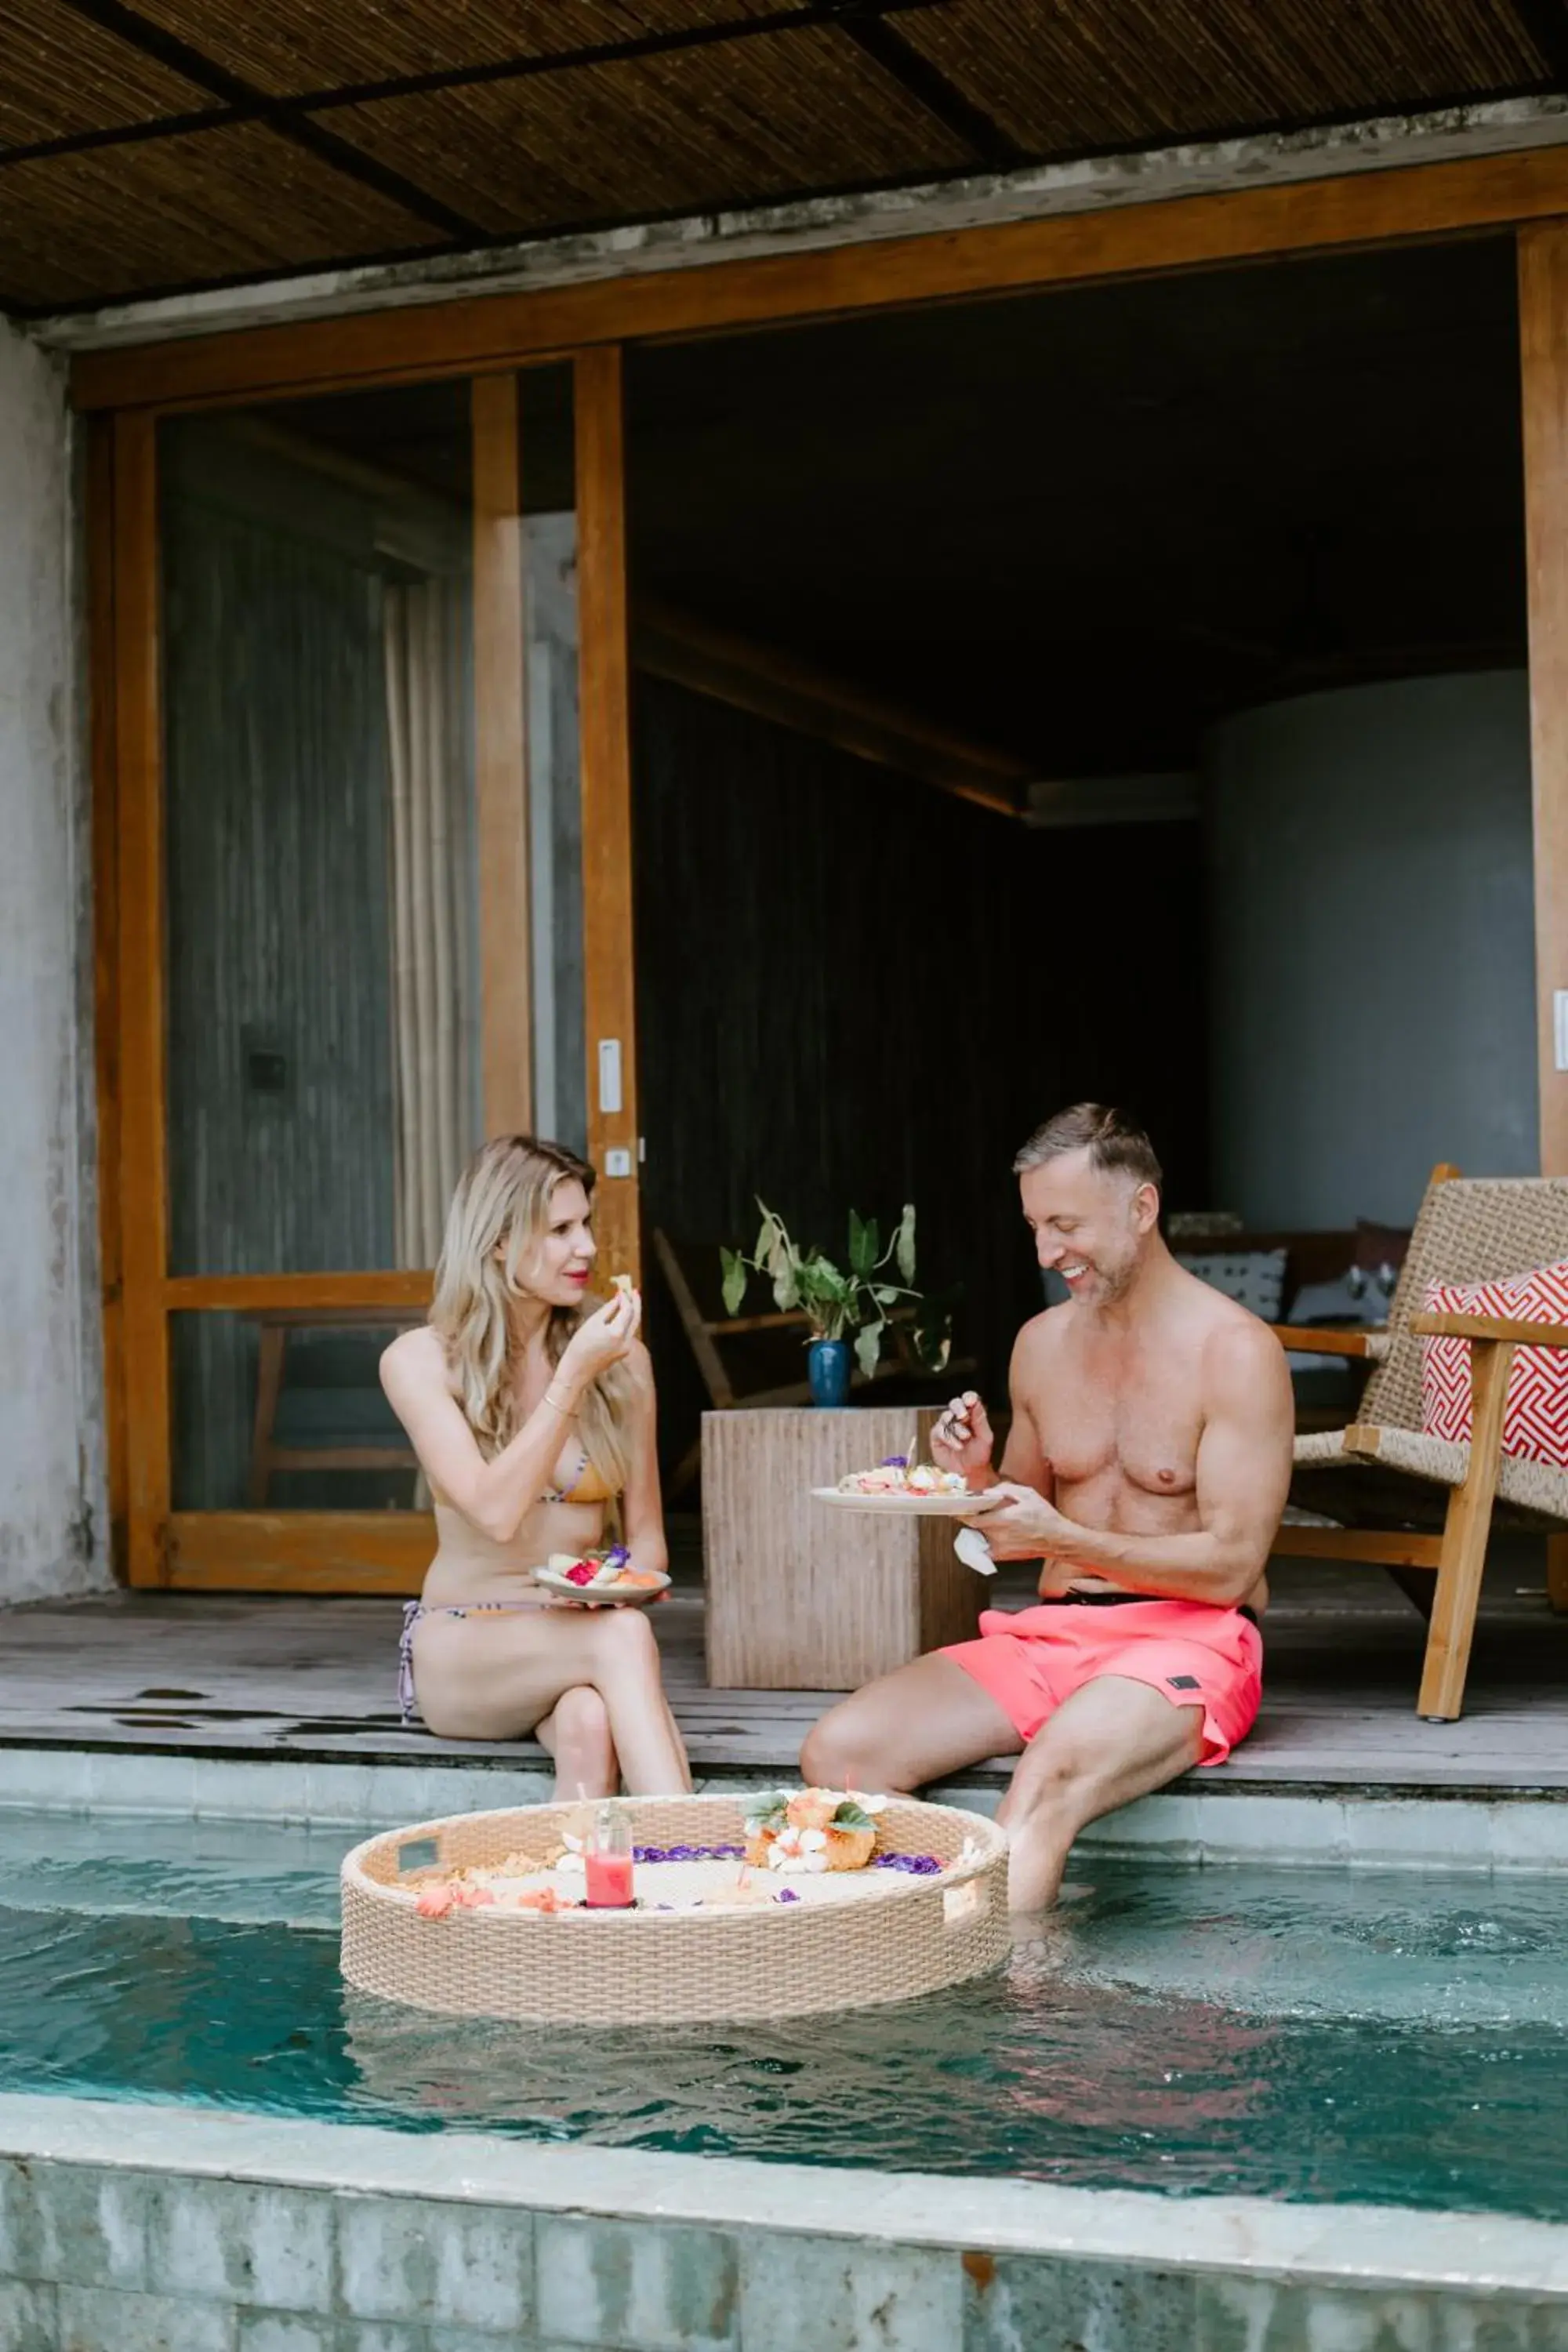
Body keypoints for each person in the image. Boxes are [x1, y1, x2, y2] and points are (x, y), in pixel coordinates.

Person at [801, 1104, 1294, 1915]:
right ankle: (909, 1947)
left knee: (1047, 1782)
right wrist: (974, 1476)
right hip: (1053, 1636)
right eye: (1034, 1226)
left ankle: (1007, 2023)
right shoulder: (1039, 1345)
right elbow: (1014, 1536)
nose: (1044, 1251)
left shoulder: (1233, 1352)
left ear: (1140, 1210)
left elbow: (1233, 1566)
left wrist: (1061, 1535)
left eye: (1064, 1224)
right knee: (839, 1755)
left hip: (1187, 1640)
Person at [380, 1134, 691, 1798]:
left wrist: (615, 1584)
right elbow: (494, 1514)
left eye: (585, 1225)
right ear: (497, 1241)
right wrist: (572, 1374)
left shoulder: (623, 1361)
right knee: (622, 1640)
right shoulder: (421, 1361)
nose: (585, 1247)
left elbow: (648, 1539)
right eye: (559, 1230)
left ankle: (582, 1890)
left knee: (588, 1721)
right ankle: (695, 1853)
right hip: (466, 1641)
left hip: (575, 1631)